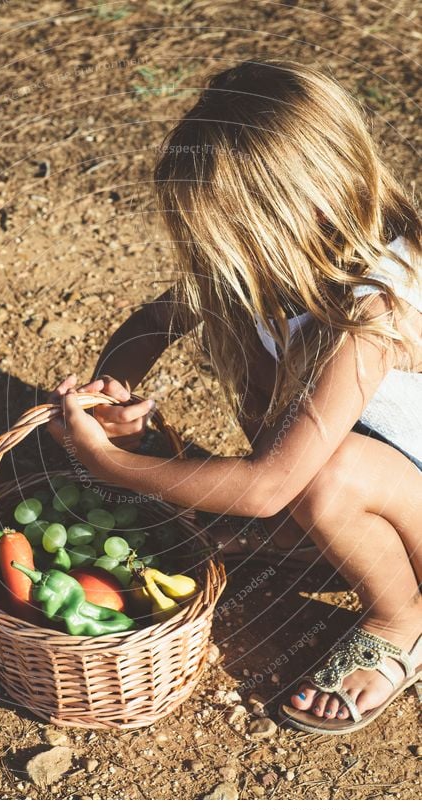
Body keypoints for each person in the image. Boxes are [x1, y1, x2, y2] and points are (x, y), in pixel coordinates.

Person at [48, 59, 421, 734]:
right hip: (393, 485)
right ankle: (322, 540)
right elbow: (156, 319)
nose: (214, 261)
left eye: (225, 241)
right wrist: (114, 387)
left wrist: (111, 464)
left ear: (296, 208)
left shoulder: (375, 312)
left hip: (388, 493)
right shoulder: (286, 261)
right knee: (284, 421)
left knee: (325, 478)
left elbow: (268, 485)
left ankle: (402, 615)